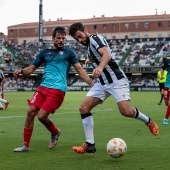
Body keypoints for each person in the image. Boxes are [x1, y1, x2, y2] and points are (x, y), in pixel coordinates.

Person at [69, 22, 159, 154]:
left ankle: (148, 120)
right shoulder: (89, 46)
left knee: (126, 111)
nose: (80, 40)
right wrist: (90, 60)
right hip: (102, 83)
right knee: (84, 108)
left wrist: (99, 67)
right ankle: (90, 144)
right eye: (77, 39)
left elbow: (107, 54)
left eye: (80, 36)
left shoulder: (94, 38)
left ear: (85, 31)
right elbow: (99, 54)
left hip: (116, 80)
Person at [13, 26, 94, 152]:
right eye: (58, 38)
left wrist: (91, 84)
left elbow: (80, 70)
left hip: (57, 90)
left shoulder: (69, 53)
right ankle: (25, 145)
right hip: (43, 88)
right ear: (53, 38)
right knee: (30, 112)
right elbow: (31, 69)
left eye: (63, 38)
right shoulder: (45, 53)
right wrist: (21, 71)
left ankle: (55, 132)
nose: (61, 40)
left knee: (41, 116)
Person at [160, 54, 170, 125]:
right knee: (166, 102)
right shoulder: (167, 61)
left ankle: (165, 119)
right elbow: (162, 68)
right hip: (167, 84)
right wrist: (162, 75)